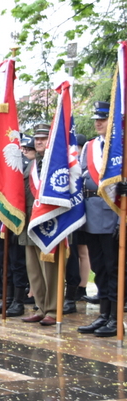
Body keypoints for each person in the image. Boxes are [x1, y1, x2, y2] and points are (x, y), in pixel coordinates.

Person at [79, 101, 120, 336]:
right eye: (96, 119)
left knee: (112, 267)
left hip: (111, 213)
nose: (98, 123)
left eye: (103, 119)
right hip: (90, 213)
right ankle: (103, 315)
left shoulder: (119, 146)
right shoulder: (91, 147)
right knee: (99, 267)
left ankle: (115, 317)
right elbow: (83, 176)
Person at [22, 123, 59, 325]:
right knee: (33, 269)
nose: (39, 142)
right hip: (30, 220)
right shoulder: (32, 164)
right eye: (36, 139)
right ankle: (40, 306)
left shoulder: (56, 163)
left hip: (49, 223)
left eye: (43, 139)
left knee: (49, 269)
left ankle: (52, 309)